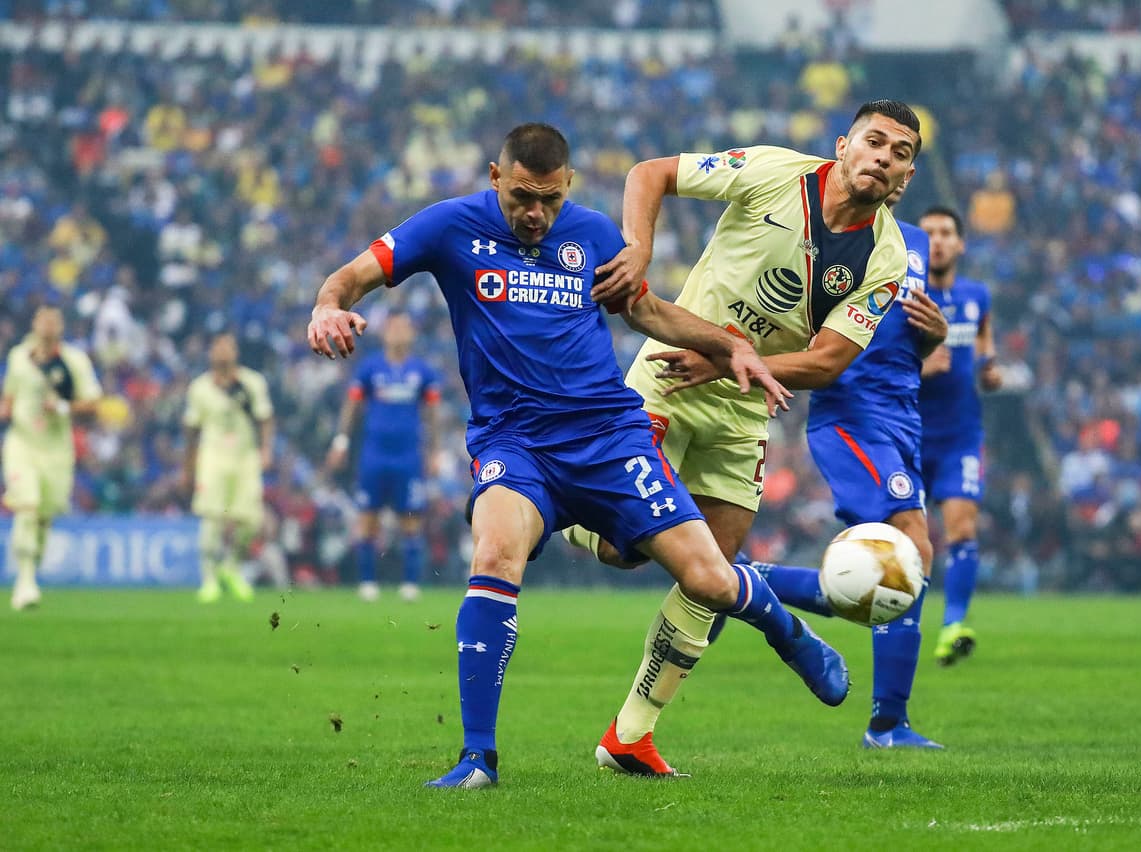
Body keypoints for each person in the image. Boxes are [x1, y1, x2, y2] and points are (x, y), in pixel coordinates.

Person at [306, 123, 848, 789]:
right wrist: (329, 307)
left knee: (707, 579)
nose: (537, 215)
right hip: (514, 441)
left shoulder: (590, 234)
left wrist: (727, 345)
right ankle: (478, 758)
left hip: (609, 439)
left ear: (568, 189)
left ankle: (787, 631)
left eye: (552, 201)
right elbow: (355, 274)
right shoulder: (449, 227)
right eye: (524, 199)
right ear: (495, 177)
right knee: (495, 551)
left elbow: (649, 313)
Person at [561, 100, 922, 773]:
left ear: (905, 179)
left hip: (745, 408)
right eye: (875, 142)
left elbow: (827, 361)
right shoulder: (771, 172)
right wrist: (637, 248)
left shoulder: (887, 258)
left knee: (707, 581)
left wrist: (733, 362)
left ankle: (630, 735)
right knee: (622, 548)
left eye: (901, 154)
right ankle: (554, 499)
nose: (884, 158)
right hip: (670, 374)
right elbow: (650, 172)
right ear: (844, 146)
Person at [734, 179, 951, 748]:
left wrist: (936, 336)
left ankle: (750, 581)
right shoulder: (833, 237)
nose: (891, 171)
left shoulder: (914, 243)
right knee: (912, 549)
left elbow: (910, 338)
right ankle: (887, 723)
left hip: (904, 411)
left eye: (905, 162)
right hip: (852, 412)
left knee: (891, 574)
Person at [916, 206, 1001, 665]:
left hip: (960, 436)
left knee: (963, 528)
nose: (939, 240)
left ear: (961, 243)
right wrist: (920, 366)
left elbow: (986, 348)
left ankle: (953, 626)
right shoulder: (904, 296)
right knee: (909, 539)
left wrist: (990, 372)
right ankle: (900, 621)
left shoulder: (977, 296)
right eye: (929, 233)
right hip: (907, 434)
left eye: (947, 233)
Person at [326, 312, 442, 602]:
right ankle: (367, 583)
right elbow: (351, 406)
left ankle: (410, 585)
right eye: (394, 328)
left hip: (407, 456)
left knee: (411, 520)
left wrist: (434, 451)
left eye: (405, 327)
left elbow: (432, 415)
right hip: (374, 455)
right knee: (367, 518)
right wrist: (341, 441)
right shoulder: (370, 368)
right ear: (385, 333)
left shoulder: (422, 371)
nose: (400, 333)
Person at [1, 306, 102, 610]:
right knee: (26, 506)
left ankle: (32, 570)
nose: (46, 324)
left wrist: (61, 408)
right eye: (41, 318)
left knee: (44, 516)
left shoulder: (74, 362)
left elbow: (93, 406)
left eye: (53, 320)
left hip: (57, 450)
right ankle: (25, 582)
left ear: (61, 326)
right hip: (22, 443)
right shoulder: (20, 357)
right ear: (33, 323)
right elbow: (9, 397)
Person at [181, 333, 274, 603]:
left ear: (236, 351)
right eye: (217, 345)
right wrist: (188, 467)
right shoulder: (200, 388)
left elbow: (265, 418)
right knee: (212, 518)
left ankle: (231, 567)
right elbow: (191, 431)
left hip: (245, 456)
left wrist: (266, 449)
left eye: (228, 346)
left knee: (251, 521)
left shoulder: (252, 383)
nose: (222, 351)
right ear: (210, 352)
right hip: (213, 456)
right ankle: (208, 580)